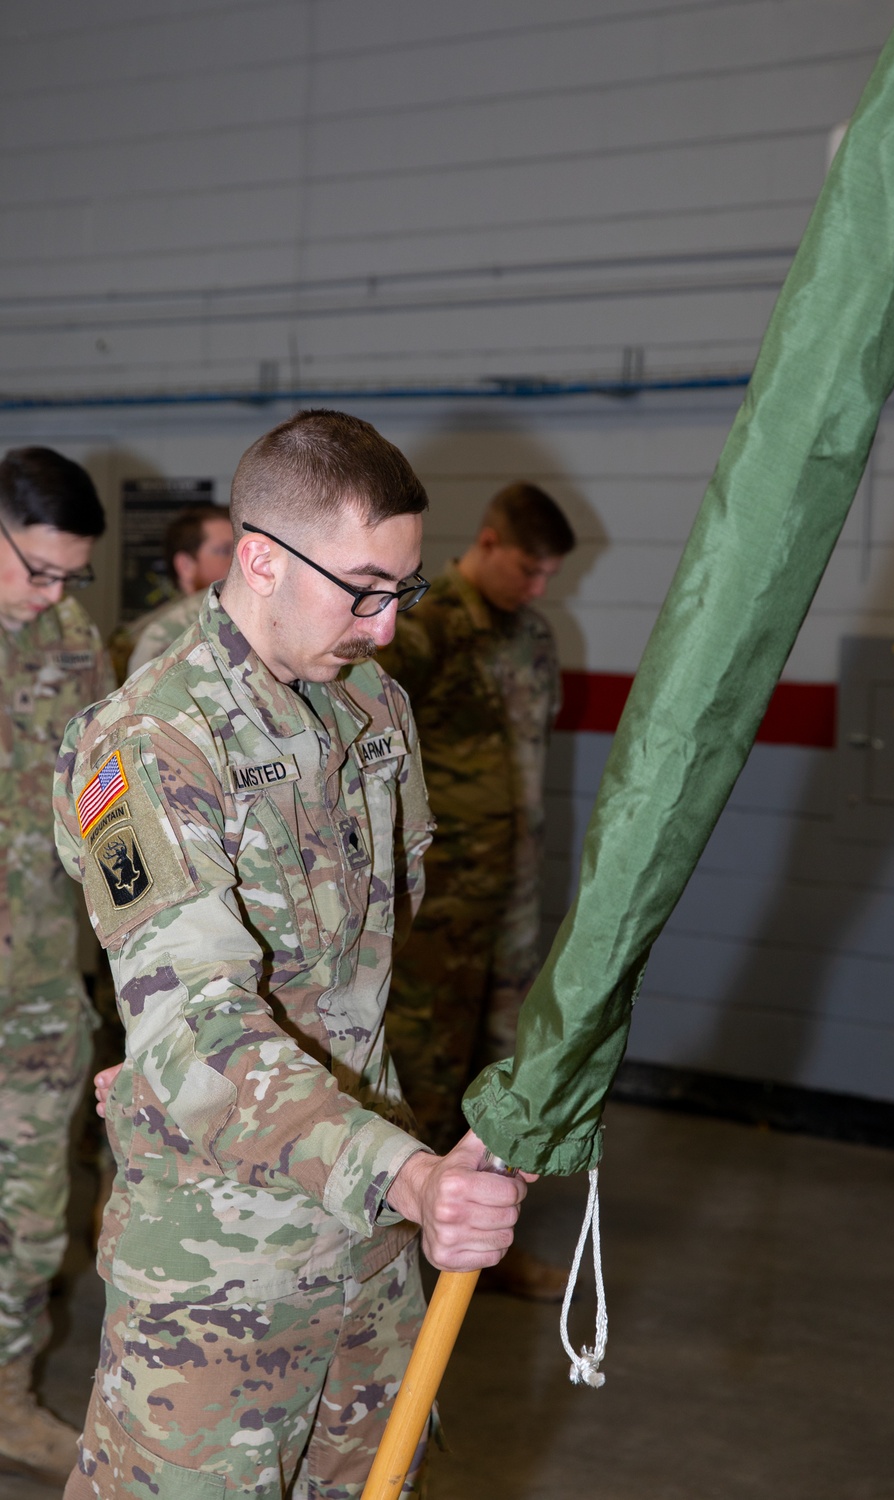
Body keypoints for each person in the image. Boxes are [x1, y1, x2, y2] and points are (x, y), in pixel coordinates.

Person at [54, 410, 534, 1500]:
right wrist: (403, 1173)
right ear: (261, 558)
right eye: (363, 589)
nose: (384, 626)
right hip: (220, 1281)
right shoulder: (153, 740)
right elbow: (202, 1024)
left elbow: (364, 962)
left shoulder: (373, 708)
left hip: (364, 1265)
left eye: (401, 592)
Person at [379, 482, 574, 1301]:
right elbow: (364, 738)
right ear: (488, 543)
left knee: (501, 1068)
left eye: (548, 575)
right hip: (437, 904)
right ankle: (397, 1262)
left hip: (511, 894)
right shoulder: (423, 627)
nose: (537, 588)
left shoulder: (531, 636)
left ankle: (482, 1257)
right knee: (422, 1067)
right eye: (527, 569)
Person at [0, 447, 113, 1487]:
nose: (51, 596)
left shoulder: (76, 644)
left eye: (69, 576)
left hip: (35, 990)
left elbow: (109, 810)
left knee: (33, 1217)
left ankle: (7, 1398)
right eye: (35, 568)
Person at [108, 504, 233, 681]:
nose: (238, 560)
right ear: (186, 566)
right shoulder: (160, 636)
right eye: (225, 551)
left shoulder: (233, 620)